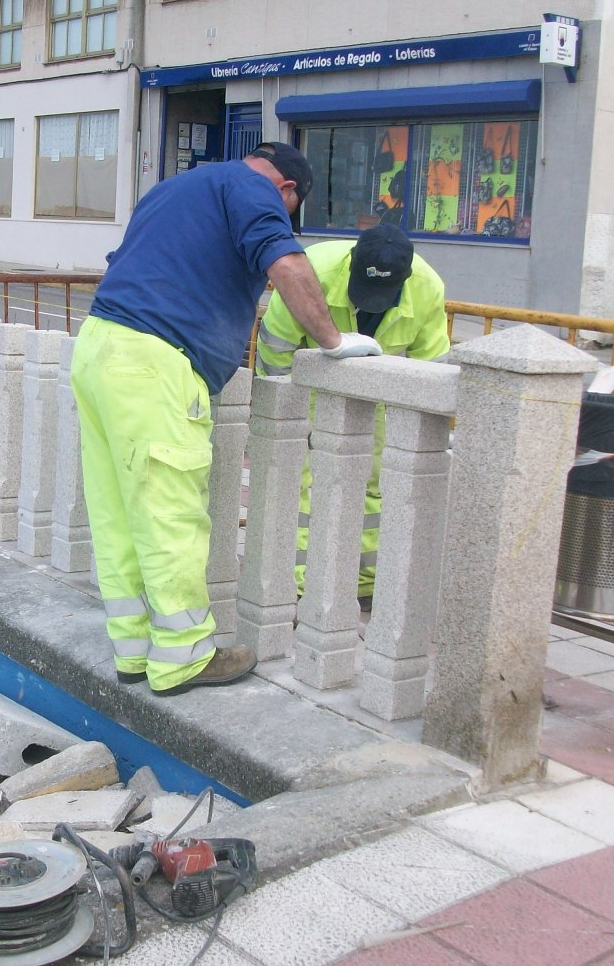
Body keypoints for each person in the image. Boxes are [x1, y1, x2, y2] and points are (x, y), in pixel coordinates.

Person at [71, 143, 381, 694]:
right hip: (155, 363)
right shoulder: (254, 189)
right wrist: (333, 340)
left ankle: (134, 651)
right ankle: (184, 658)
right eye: (290, 210)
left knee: (118, 513)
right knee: (170, 513)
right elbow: (286, 263)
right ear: (288, 189)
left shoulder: (174, 187)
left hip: (99, 348)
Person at [255, 224, 449, 605]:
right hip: (311, 395)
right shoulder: (311, 272)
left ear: (405, 279)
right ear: (351, 264)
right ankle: (298, 584)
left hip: (379, 403)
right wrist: (283, 418)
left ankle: (365, 584)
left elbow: (434, 371)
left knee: (376, 485)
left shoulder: (427, 289)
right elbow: (276, 347)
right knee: (301, 484)